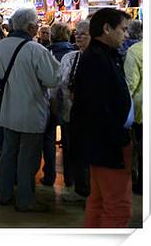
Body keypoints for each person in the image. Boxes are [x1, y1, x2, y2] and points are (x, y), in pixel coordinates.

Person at [0, 8, 60, 212]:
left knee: (8, 154)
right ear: (30, 27)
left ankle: (4, 194)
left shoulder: (0, 46)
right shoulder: (36, 50)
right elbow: (53, 79)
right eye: (36, 24)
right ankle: (25, 200)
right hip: (31, 111)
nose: (38, 27)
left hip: (8, 109)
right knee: (28, 157)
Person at [71, 8, 133, 227]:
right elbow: (97, 106)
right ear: (107, 29)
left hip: (102, 142)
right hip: (107, 144)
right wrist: (119, 137)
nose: (126, 35)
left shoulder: (104, 55)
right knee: (117, 206)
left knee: (99, 201)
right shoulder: (97, 59)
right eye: (123, 29)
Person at [55, 20, 92, 203]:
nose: (78, 36)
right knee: (71, 150)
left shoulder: (98, 58)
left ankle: (89, 189)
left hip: (90, 116)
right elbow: (59, 81)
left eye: (83, 33)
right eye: (77, 33)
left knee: (88, 153)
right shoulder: (70, 57)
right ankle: (75, 185)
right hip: (69, 113)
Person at [40, 22, 76, 187]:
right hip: (69, 103)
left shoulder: (46, 53)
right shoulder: (74, 54)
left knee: (48, 138)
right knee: (69, 142)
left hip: (49, 101)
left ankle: (49, 175)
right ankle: (70, 178)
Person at [124, 38, 143, 195]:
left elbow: (130, 84)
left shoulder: (135, 51)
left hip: (141, 111)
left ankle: (141, 183)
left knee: (140, 148)